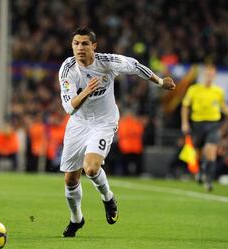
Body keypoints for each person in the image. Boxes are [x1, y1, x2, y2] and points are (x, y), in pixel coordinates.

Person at [58, 27, 176, 237]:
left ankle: (108, 198)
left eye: (84, 43)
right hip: (78, 123)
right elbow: (69, 108)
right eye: (76, 43)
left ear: (93, 46)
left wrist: (160, 82)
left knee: (91, 169)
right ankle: (77, 219)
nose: (80, 48)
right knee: (70, 180)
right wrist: (86, 91)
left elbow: (135, 66)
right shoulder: (68, 69)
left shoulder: (107, 62)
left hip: (104, 122)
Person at [181, 65, 228, 191]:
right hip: (198, 123)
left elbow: (223, 106)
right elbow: (185, 106)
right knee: (199, 152)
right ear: (203, 76)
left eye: (212, 75)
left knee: (211, 150)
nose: (209, 77)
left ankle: (209, 181)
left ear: (215, 76)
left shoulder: (218, 91)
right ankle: (201, 170)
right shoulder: (193, 89)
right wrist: (184, 123)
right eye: (207, 74)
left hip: (213, 124)